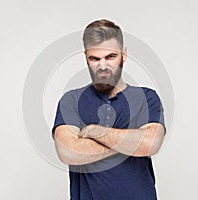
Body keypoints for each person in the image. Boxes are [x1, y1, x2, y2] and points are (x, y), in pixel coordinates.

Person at [52, 19, 166, 200]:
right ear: (86, 57)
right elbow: (68, 152)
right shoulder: (72, 101)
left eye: (111, 57)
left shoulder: (145, 98)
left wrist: (96, 132)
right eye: (94, 58)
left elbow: (150, 143)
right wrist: (131, 142)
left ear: (124, 54)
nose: (103, 66)